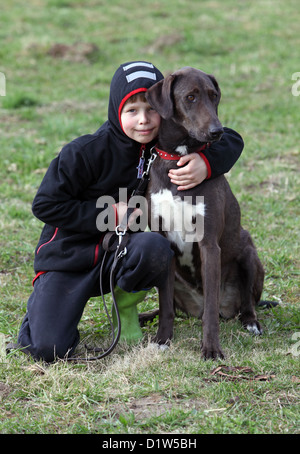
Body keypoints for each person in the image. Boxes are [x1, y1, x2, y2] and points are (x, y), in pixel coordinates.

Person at [10, 61, 244, 362]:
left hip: (120, 257)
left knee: (155, 245)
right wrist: (107, 214)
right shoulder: (85, 152)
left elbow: (230, 138)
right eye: (131, 111)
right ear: (115, 111)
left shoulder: (161, 148)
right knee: (48, 349)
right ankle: (41, 314)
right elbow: (44, 205)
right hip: (70, 260)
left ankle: (127, 305)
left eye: (151, 110)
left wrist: (207, 164)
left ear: (165, 108)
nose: (144, 121)